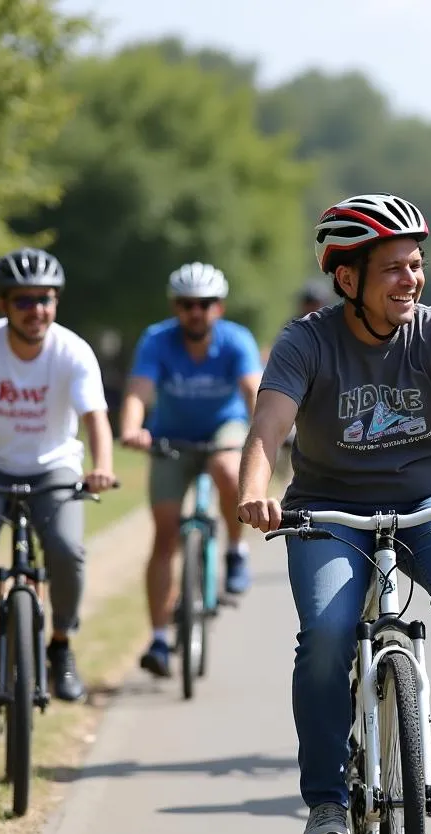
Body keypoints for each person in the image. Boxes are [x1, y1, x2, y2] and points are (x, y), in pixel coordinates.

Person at [237, 193, 431, 834]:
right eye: (394, 268)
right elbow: (269, 429)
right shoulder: (306, 341)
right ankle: (325, 802)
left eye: (416, 265)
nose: (411, 280)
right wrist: (256, 493)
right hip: (328, 513)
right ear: (348, 279)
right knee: (325, 634)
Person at [120, 262, 263, 678]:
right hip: (172, 437)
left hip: (224, 431)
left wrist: (261, 435)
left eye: (204, 304)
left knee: (224, 466)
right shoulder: (157, 340)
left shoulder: (236, 340)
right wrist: (132, 429)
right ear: (175, 307)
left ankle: (235, 551)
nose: (196, 312)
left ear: (218, 307)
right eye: (187, 304)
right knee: (164, 536)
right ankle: (160, 640)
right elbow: (138, 392)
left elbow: (254, 390)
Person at [0, 248, 117, 702]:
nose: (36, 310)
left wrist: (102, 467)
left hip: (53, 467)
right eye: (23, 300)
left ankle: (59, 644)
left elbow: (95, 417)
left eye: (44, 299)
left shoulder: (72, 350)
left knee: (67, 550)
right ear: (3, 304)